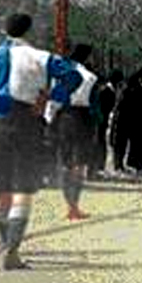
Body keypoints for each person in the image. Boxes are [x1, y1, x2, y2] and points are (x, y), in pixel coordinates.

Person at [0, 13, 82, 270]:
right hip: (27, 119)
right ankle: (13, 250)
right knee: (23, 188)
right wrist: (50, 96)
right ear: (28, 31)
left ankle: (5, 242)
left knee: (0, 187)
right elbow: (74, 76)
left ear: (4, 30)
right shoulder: (41, 57)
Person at [46, 43, 99, 220]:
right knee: (79, 164)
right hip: (81, 118)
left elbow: (54, 99)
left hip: (63, 117)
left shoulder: (61, 74)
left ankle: (68, 203)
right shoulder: (90, 77)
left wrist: (49, 120)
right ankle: (74, 206)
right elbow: (93, 105)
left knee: (65, 162)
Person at [92, 69, 123, 176]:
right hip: (100, 121)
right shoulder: (106, 91)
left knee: (101, 143)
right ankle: (99, 166)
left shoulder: (109, 90)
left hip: (103, 121)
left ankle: (100, 166)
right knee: (99, 144)